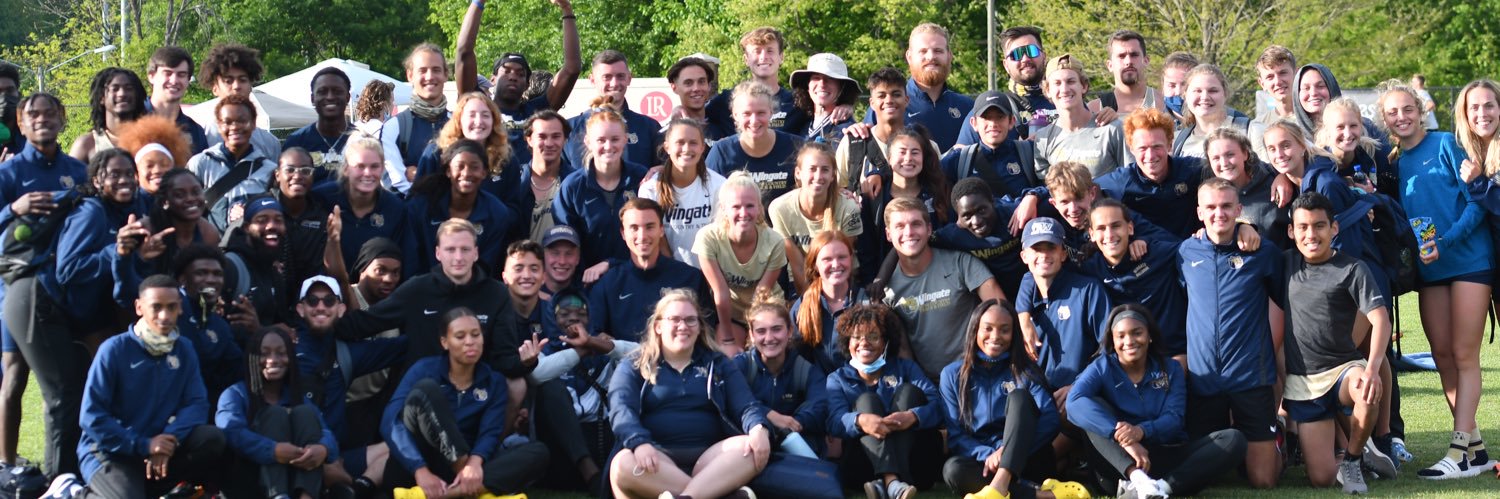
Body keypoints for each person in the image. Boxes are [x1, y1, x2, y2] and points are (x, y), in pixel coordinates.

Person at [1379, 80, 1495, 479]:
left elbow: (1477, 203)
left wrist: (1446, 241)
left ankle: (1459, 449)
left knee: (1464, 355)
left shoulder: (1446, 143)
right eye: (1393, 112)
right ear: (1385, 120)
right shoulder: (1393, 162)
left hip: (1469, 261)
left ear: (1421, 110)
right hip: (1432, 269)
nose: (1402, 117)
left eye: (1407, 109)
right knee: (1442, 354)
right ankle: (1475, 451)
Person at [45, 275, 227, 498]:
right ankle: (73, 493)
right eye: (156, 307)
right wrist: (144, 445)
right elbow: (92, 418)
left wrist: (168, 441)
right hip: (109, 452)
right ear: (139, 307)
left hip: (157, 446)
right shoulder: (113, 350)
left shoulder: (184, 349)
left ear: (180, 308)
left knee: (211, 438)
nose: (164, 315)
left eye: (171, 307)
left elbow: (197, 404)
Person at [1279, 192, 1397, 492]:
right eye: (1303, 227)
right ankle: (1361, 451)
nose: (1311, 234)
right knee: (1321, 479)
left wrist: (1371, 368)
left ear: (1334, 228)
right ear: (1291, 231)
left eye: (1319, 226)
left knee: (1366, 390)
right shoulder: (1282, 265)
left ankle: (1354, 459)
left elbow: (1381, 319)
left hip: (1344, 370)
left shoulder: (1353, 268)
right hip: (1304, 384)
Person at [1067, 304, 1248, 498]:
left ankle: (1160, 488)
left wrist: (1140, 431)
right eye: (1121, 336)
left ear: (1150, 336)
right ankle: (1138, 480)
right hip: (1119, 465)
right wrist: (1121, 436)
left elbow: (1174, 418)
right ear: (1113, 340)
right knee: (1090, 409)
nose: (1129, 341)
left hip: (1163, 456)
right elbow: (1074, 402)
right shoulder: (1102, 366)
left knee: (1233, 439)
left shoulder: (1171, 369)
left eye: (1137, 333)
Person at [0, 92, 90, 480]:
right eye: (33, 115)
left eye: (50, 113)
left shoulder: (78, 170)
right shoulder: (8, 173)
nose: (42, 120)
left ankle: (67, 462)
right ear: (21, 123)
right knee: (15, 374)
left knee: (61, 379)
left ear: (63, 119)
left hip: (64, 287)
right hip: (16, 285)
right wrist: (12, 210)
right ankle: (6, 461)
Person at [606, 289, 769, 499]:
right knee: (622, 464)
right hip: (655, 458)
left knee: (750, 447)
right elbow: (621, 410)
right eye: (674, 319)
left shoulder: (718, 364)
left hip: (711, 460)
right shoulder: (634, 365)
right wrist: (638, 442)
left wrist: (758, 428)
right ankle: (712, 494)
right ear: (658, 326)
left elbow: (746, 404)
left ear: (700, 327)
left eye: (691, 320)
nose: (683, 326)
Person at [1179, 178, 1283, 488]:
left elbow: (1284, 300)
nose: (1218, 214)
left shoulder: (1263, 252)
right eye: (1210, 207)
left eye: (1226, 206)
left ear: (1238, 210)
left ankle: (1281, 439)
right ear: (1199, 212)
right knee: (1204, 477)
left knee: (1263, 481)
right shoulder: (1185, 252)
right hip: (1204, 379)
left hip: (1250, 377)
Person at [382, 307, 550, 497]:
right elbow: (391, 421)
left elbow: (490, 431)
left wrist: (474, 463)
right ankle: (473, 491)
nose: (470, 342)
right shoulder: (423, 370)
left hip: (469, 468)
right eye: (460, 337)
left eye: (475, 335)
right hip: (422, 466)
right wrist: (419, 469)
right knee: (426, 389)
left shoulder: (493, 380)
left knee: (538, 452)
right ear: (445, 342)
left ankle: (446, 495)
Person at [333, 219, 525, 379]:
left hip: (476, 391)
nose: (458, 257)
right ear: (438, 253)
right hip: (422, 389)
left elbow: (504, 359)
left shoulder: (497, 293)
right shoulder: (417, 289)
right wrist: (321, 323)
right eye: (450, 250)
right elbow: (365, 323)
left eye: (465, 249)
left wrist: (528, 362)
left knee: (517, 386)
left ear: (476, 253)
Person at [940, 299, 1064, 499]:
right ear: (975, 330)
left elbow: (1050, 419)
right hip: (983, 461)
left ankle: (1000, 487)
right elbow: (956, 436)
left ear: (1014, 334)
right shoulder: (952, 374)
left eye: (1004, 330)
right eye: (987, 329)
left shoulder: (1026, 371)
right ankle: (1041, 496)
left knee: (1019, 397)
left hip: (1027, 458)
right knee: (953, 470)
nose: (995, 336)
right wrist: (988, 454)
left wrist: (1008, 452)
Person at [293, 275, 404, 495]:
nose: (321, 307)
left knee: (401, 447)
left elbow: (402, 347)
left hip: (337, 457)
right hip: (294, 458)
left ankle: (359, 487)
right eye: (312, 301)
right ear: (301, 309)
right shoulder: (284, 349)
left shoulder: (345, 352)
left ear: (341, 309)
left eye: (329, 301)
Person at [825, 303, 943, 498]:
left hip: (916, 464)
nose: (864, 342)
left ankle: (888, 483)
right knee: (866, 402)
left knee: (908, 393)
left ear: (886, 342)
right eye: (857, 337)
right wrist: (860, 421)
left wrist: (913, 416)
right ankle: (893, 483)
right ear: (847, 342)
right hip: (864, 467)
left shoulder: (906, 368)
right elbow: (834, 421)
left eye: (873, 336)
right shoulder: (837, 379)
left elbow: (937, 405)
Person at [877, 197, 1002, 381]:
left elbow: (1001, 309)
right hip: (931, 385)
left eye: (916, 224)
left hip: (978, 373)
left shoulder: (961, 263)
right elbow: (903, 349)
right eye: (900, 226)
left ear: (929, 229)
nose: (909, 232)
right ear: (888, 234)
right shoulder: (887, 289)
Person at [216, 326, 340, 498]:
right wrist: (272, 450)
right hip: (251, 480)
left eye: (281, 353)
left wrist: (323, 448)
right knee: (274, 414)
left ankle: (306, 495)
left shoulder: (298, 397)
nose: (273, 360)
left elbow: (326, 431)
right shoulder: (234, 394)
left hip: (294, 475)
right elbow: (231, 432)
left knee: (304, 413)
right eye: (264, 353)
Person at [1015, 216, 1114, 401]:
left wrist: (1079, 385)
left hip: (1083, 396)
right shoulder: (1024, 301)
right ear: (1024, 256)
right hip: (1038, 400)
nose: (1044, 255)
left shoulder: (1088, 290)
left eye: (1051, 247)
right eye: (1036, 248)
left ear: (1063, 253)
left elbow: (1109, 347)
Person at [1079, 199, 1188, 366]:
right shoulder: (1089, 270)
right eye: (1101, 228)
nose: (1109, 235)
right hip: (1129, 367)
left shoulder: (1157, 253)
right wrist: (1024, 310)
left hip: (1176, 359)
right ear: (1092, 234)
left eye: (1115, 226)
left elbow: (1200, 247)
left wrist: (1241, 227)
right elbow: (1047, 274)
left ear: (1130, 228)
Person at [586, 199, 710, 343]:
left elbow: (707, 331)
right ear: (623, 233)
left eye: (649, 227)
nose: (642, 236)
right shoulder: (608, 284)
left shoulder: (691, 278)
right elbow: (593, 335)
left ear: (661, 230)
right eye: (634, 228)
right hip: (623, 362)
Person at [475, 0, 580, 165]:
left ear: (526, 84)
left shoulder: (536, 112)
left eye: (520, 73)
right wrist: (478, 3)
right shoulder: (479, 110)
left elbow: (572, 69)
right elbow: (464, 53)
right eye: (506, 70)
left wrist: (567, 9)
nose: (513, 76)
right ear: (492, 79)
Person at [695, 173, 786, 354]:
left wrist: (755, 336)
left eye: (750, 206)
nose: (743, 213)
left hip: (766, 307)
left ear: (759, 208)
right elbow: (720, 292)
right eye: (736, 207)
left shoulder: (775, 241)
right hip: (730, 313)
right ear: (724, 209)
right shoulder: (708, 238)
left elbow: (762, 293)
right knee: (728, 356)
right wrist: (728, 338)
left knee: (765, 353)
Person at [732, 292, 830, 457]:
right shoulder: (739, 366)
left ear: (790, 330)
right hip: (750, 448)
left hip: (794, 448)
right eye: (761, 331)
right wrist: (769, 416)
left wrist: (794, 423)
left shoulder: (804, 370)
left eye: (776, 329)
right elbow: (731, 400)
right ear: (751, 334)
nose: (769, 338)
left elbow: (821, 404)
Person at [553, 102, 650, 268]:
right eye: (601, 140)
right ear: (588, 142)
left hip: (637, 276)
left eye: (615, 139)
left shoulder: (642, 179)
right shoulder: (573, 187)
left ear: (625, 140)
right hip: (587, 280)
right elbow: (567, 243)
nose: (608, 146)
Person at [405, 139, 516, 274]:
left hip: (473, 290)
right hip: (423, 288)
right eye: (460, 166)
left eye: (474, 167)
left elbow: (486, 267)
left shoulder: (497, 213)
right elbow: (411, 261)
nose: (466, 173)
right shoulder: (421, 207)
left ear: (484, 173)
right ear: (448, 171)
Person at [1096, 108, 1205, 237]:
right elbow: (1084, 192)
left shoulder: (1193, 169)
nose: (1150, 155)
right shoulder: (1121, 181)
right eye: (1142, 148)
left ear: (1170, 145)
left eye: (1156, 146)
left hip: (1190, 252)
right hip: (1147, 254)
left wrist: (1207, 229)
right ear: (1131, 149)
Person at [316, 138, 416, 278]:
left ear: (382, 169)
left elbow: (407, 262)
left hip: (378, 294)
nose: (368, 173)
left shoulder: (396, 209)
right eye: (360, 166)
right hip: (328, 292)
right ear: (346, 169)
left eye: (374, 166)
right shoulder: (321, 199)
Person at [769, 143, 863, 290]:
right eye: (812, 169)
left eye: (825, 170)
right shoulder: (779, 209)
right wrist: (810, 302)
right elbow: (798, 265)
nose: (818, 176)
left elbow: (844, 259)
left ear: (833, 175)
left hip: (841, 276)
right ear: (798, 173)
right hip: (802, 280)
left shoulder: (848, 208)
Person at [861, 127, 953, 267]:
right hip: (887, 282)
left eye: (915, 152)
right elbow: (867, 249)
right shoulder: (874, 196)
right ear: (889, 158)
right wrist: (872, 283)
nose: (908, 158)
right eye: (902, 152)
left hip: (937, 275)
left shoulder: (939, 193)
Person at [168, 243, 247, 406]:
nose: (211, 280)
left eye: (217, 274)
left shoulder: (219, 325)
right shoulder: (168, 315)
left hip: (200, 407)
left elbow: (238, 369)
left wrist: (258, 333)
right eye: (201, 273)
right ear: (183, 279)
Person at [186, 94, 277, 233]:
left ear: (253, 124)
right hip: (211, 249)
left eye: (242, 121)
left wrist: (251, 212)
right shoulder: (200, 164)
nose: (234, 127)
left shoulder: (269, 169)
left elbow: (276, 212)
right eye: (227, 122)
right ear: (219, 125)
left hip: (253, 248)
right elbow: (187, 209)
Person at [641, 119, 726, 268]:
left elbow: (721, 238)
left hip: (712, 272)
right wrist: (678, 273)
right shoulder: (650, 189)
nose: (686, 149)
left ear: (702, 147)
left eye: (693, 143)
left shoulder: (719, 185)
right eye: (680, 142)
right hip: (670, 274)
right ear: (667, 147)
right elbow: (656, 239)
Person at [707, 81, 804, 207]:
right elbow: (708, 198)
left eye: (761, 113)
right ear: (735, 115)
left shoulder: (797, 147)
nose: (754, 121)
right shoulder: (721, 152)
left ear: (771, 112)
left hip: (784, 225)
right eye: (746, 114)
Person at [412, 92, 518, 205]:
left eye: (485, 115)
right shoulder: (436, 153)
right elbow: (417, 202)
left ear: (494, 121)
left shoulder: (506, 158)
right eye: (471, 115)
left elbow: (514, 207)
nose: (478, 121)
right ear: (459, 120)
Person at [706, 27, 814, 138]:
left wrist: (833, 108)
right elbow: (696, 115)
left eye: (770, 51)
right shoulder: (727, 100)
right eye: (756, 51)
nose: (763, 57)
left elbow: (823, 114)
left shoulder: (798, 102)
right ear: (746, 59)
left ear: (781, 57)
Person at [564, 51, 663, 168]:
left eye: (620, 76)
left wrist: (660, 169)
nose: (614, 83)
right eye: (607, 77)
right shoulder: (569, 129)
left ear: (629, 78)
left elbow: (666, 169)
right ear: (592, 80)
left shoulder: (649, 127)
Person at [1031, 54, 1126, 178]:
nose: (1064, 89)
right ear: (1048, 90)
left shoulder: (1111, 129)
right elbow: (1047, 189)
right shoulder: (1043, 139)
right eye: (1057, 83)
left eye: (1071, 81)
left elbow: (1129, 177)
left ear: (1084, 86)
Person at [934, 178, 1026, 300]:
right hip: (993, 298)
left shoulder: (1013, 214)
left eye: (982, 210)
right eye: (967, 216)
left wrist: (1033, 196)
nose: (976, 221)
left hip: (1030, 289)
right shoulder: (954, 235)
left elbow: (1052, 197)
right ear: (958, 219)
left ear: (993, 202)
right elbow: (922, 239)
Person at [790, 231, 866, 373]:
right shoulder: (802, 307)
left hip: (858, 388)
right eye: (827, 259)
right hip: (817, 390)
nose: (836, 264)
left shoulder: (866, 303)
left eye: (842, 257)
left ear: (851, 259)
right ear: (815, 265)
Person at [942, 90, 1040, 199]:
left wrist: (1035, 195)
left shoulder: (1029, 153)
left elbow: (1054, 187)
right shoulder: (959, 160)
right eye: (986, 117)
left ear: (1012, 121)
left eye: (1000, 117)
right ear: (974, 123)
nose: (993, 124)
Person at [381, 43, 451, 194]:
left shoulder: (458, 124)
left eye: (436, 70)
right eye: (423, 70)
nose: (430, 76)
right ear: (410, 75)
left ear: (446, 74)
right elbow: (394, 185)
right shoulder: (394, 127)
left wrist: (417, 175)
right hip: (411, 214)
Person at [836, 68, 917, 194]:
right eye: (882, 95)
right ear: (872, 103)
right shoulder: (852, 143)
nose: (889, 100)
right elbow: (836, 191)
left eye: (896, 94)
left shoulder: (924, 146)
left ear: (906, 100)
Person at [194, 44, 282, 161]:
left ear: (250, 85)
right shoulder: (201, 137)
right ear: (215, 88)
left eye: (243, 80)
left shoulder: (270, 144)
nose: (236, 86)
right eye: (228, 81)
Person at [1204, 127, 1285, 243]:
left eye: (1230, 155)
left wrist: (1284, 176)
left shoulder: (1273, 183)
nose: (1224, 163)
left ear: (1245, 154)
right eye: (1216, 158)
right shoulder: (1206, 193)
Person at [1174, 64, 1264, 161]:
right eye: (1197, 91)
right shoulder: (1176, 141)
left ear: (1225, 94)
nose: (1204, 97)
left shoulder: (1252, 131)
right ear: (1185, 95)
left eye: (1213, 91)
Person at [281, 67, 354, 184]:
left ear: (348, 97)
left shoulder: (363, 140)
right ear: (312, 99)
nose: (330, 97)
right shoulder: (296, 142)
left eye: (337, 91)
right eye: (322, 91)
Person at [1292, 64, 1390, 148]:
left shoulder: (1367, 127)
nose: (1313, 93)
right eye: (1306, 88)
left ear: (1331, 87)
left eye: (1320, 86)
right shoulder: (1292, 135)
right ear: (1297, 93)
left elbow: (1388, 164)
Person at [1316, 97, 1397, 198]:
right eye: (1340, 127)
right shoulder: (1317, 167)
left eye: (1353, 126)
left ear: (1361, 127)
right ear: (1327, 131)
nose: (1348, 134)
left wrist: (1372, 194)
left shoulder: (1373, 155)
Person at [145, 169, 222, 275]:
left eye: (196, 192)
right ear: (165, 202)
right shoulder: (149, 229)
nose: (190, 198)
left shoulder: (209, 233)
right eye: (180, 195)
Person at [518, 111, 577, 242]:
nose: (549, 143)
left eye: (556, 136)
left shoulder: (577, 182)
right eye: (542, 137)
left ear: (565, 140)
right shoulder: (514, 181)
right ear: (529, 140)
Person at [70, 67, 147, 163]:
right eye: (115, 89)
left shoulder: (150, 140)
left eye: (128, 88)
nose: (122, 93)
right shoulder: (86, 145)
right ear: (101, 97)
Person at [144, 46, 209, 155]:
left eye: (181, 75)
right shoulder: (133, 118)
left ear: (188, 80)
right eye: (167, 73)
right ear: (151, 76)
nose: (174, 81)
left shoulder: (195, 132)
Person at [791, 53, 861, 144]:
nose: (822, 84)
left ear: (842, 87)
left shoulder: (847, 131)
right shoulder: (798, 121)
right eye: (816, 78)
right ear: (807, 85)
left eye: (830, 78)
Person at [1089, 30, 1162, 116]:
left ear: (1146, 61)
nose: (1128, 61)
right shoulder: (1094, 110)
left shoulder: (1163, 103)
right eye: (1121, 56)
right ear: (1110, 65)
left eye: (1134, 55)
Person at [115, 115, 191, 197]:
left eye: (164, 164)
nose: (157, 170)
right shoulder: (129, 206)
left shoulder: (185, 203)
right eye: (149, 166)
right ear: (135, 172)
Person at [664, 57, 719, 140]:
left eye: (701, 81)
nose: (696, 88)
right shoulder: (666, 136)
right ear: (674, 87)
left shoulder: (724, 127)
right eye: (688, 83)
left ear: (709, 86)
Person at [1252, 45, 1298, 127]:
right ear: (1262, 84)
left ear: (1296, 74)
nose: (1278, 82)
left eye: (1283, 73)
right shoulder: (1258, 125)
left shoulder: (1315, 119)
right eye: (1270, 77)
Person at [541, 225, 581, 298]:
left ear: (578, 258)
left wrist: (608, 263)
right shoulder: (528, 294)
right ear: (543, 257)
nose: (562, 261)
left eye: (569, 254)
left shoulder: (587, 294)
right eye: (555, 253)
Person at [1158, 52, 1197, 121]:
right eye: (1172, 85)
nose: (1178, 92)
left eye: (1184, 84)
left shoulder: (1215, 122)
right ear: (1163, 87)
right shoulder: (1154, 122)